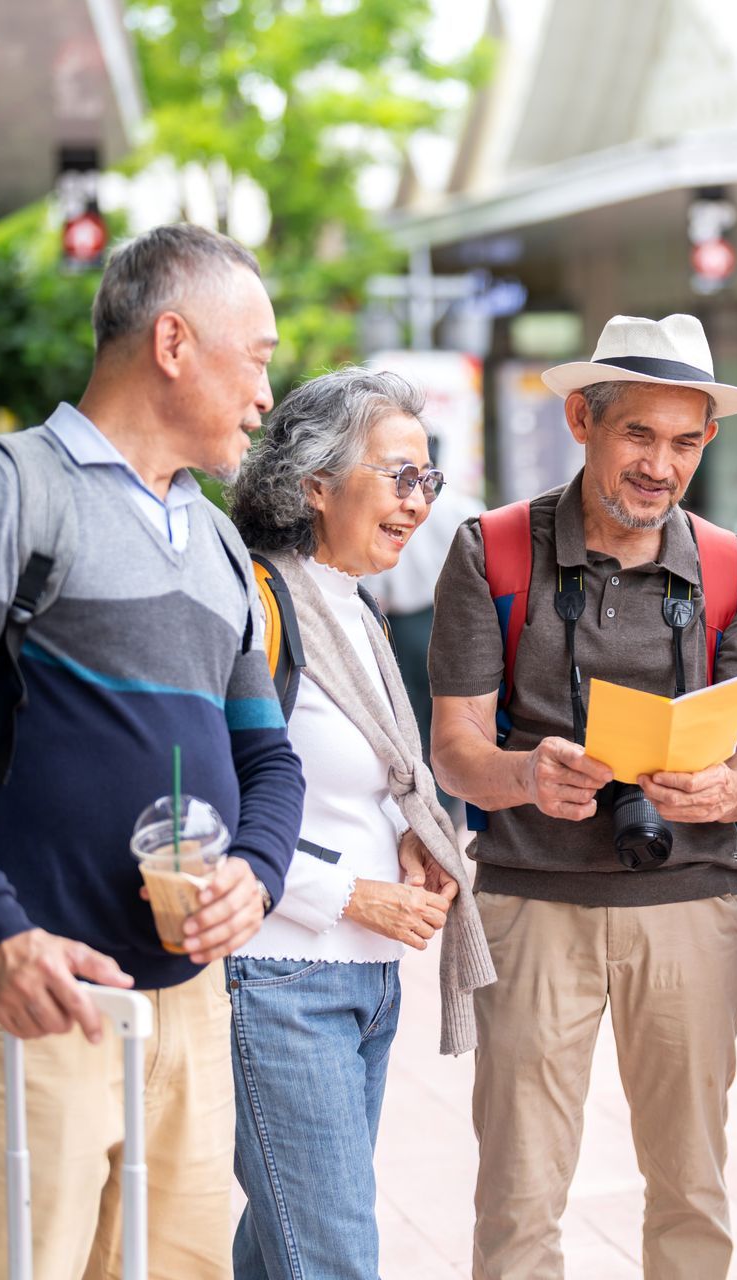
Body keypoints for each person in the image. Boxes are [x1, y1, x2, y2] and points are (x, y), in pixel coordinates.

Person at [0, 223, 304, 1280]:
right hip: (34, 996)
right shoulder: (4, 489)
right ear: (174, 342)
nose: (266, 394)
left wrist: (259, 872)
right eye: (260, 356)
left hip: (188, 1015)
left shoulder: (221, 541)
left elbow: (269, 761)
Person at [429, 314, 737, 1280]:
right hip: (530, 902)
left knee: (692, 1193)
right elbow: (454, 746)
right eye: (638, 435)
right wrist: (525, 775)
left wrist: (721, 791)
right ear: (584, 417)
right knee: (518, 1199)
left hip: (690, 903)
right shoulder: (491, 551)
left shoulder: (726, 566)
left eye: (684, 442)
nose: (660, 465)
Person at [222, 368, 494, 1280]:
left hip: (359, 984)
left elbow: (363, 779)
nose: (418, 502)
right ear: (314, 484)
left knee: (279, 1249)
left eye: (428, 480)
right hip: (284, 972)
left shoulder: (353, 606)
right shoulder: (255, 604)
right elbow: (207, 811)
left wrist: (411, 835)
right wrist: (355, 893)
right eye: (396, 476)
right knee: (331, 1257)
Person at [360, 431, 485, 825]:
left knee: (410, 717)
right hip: (443, 620)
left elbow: (373, 581)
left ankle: (422, 808)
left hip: (400, 623)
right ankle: (442, 808)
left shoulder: (391, 506)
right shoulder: (465, 509)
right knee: (448, 719)